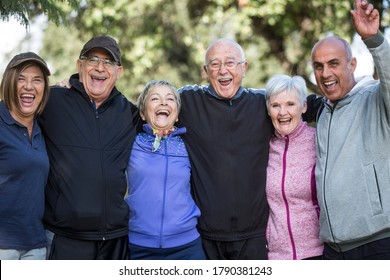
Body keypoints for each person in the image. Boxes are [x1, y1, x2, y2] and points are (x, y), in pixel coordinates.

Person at [177, 39, 321, 259]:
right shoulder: (187, 102)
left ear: (244, 68)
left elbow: (296, 105)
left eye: (231, 63)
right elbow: (155, 104)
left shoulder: (261, 104)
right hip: (206, 237)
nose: (223, 70)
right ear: (206, 71)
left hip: (254, 238)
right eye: (214, 64)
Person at [37, 35, 139, 259]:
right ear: (79, 65)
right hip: (65, 237)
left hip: (115, 240)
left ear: (118, 72)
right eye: (92, 59)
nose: (100, 67)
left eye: (108, 62)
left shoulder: (131, 114)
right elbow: (16, 111)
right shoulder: (51, 100)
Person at [312, 0, 390, 259]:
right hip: (333, 249)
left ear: (352, 65)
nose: (325, 73)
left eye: (333, 63)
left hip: (377, 243)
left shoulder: (375, 99)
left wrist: (375, 41)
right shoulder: (323, 111)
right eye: (319, 66)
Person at [125, 80, 205, 260]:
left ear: (176, 115)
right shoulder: (131, 142)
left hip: (187, 247)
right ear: (143, 113)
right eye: (155, 98)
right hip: (139, 246)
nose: (163, 103)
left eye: (170, 99)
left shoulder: (189, 146)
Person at [264, 74, 323, 260]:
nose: (283, 112)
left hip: (318, 253)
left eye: (290, 104)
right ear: (268, 110)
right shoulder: (265, 146)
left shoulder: (319, 140)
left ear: (304, 106)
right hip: (276, 257)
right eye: (275, 105)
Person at [0, 52, 51, 260]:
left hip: (35, 245)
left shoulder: (43, 128)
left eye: (36, 80)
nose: (29, 86)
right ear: (9, 82)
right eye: (21, 78)